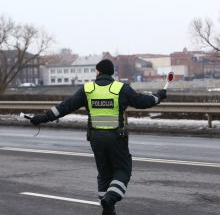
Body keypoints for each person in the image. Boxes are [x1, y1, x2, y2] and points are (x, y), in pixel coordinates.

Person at [30, 59, 167, 215]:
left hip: (96, 138)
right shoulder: (121, 88)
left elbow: (65, 106)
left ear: (99, 72)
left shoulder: (88, 89)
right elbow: (143, 102)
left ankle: (107, 209)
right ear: (111, 73)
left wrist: (43, 117)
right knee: (123, 170)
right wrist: (159, 96)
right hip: (116, 137)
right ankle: (110, 198)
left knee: (104, 173)